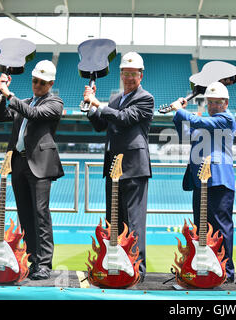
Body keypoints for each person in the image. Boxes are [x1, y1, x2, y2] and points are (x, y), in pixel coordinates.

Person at [83, 51, 154, 280]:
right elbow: (100, 125)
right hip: (113, 167)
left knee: (134, 221)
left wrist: (98, 103)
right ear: (121, 75)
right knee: (114, 221)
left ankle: (137, 270)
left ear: (141, 75)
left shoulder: (146, 98)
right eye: (126, 73)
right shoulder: (115, 100)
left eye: (134, 74)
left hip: (134, 167)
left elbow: (124, 119)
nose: (130, 77)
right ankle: (115, 264)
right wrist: (91, 108)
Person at [0, 60, 64, 280]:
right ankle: (33, 260)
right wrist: (0, 93)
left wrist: (9, 95)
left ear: (50, 83)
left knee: (41, 214)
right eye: (34, 80)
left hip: (40, 165)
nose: (37, 85)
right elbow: (0, 116)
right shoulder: (24, 102)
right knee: (25, 214)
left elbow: (34, 114)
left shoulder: (55, 103)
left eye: (42, 83)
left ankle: (44, 263)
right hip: (19, 163)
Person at [171, 81, 236, 282]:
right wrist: (177, 114)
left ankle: (226, 271)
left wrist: (181, 111)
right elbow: (185, 133)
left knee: (220, 226)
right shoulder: (203, 123)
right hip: (201, 181)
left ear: (225, 103)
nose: (213, 106)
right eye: (210, 102)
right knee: (202, 228)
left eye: (217, 102)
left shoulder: (226, 119)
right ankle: (207, 267)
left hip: (219, 180)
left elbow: (200, 123)